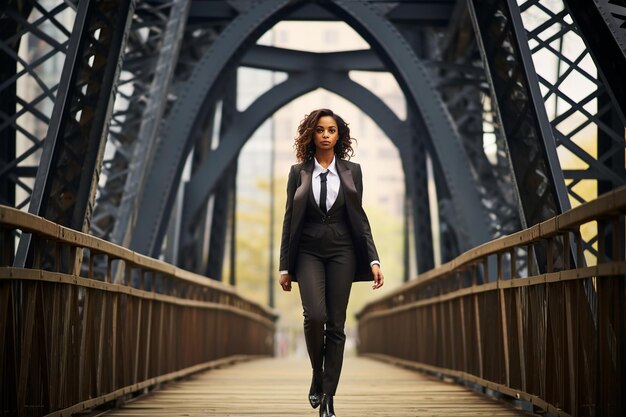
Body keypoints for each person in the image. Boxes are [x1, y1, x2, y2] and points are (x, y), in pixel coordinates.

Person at [279, 108, 384, 417]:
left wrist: (374, 259)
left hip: (343, 251)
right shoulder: (298, 172)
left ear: (339, 136)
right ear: (311, 134)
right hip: (308, 250)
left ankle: (328, 397)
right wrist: (285, 267)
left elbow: (359, 218)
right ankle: (316, 372)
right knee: (314, 315)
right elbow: (289, 221)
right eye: (320, 129)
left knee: (336, 325)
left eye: (332, 130)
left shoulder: (354, 171)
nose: (326, 134)